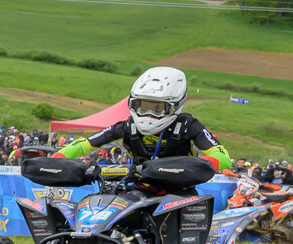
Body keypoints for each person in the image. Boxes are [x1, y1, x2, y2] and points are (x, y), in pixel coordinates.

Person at [54, 67, 234, 171]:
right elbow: (86, 143)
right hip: (137, 186)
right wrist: (58, 157)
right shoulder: (127, 126)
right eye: (142, 106)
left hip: (180, 191)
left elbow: (223, 157)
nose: (148, 114)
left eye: (157, 108)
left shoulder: (188, 126)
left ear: (175, 105)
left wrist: (196, 165)